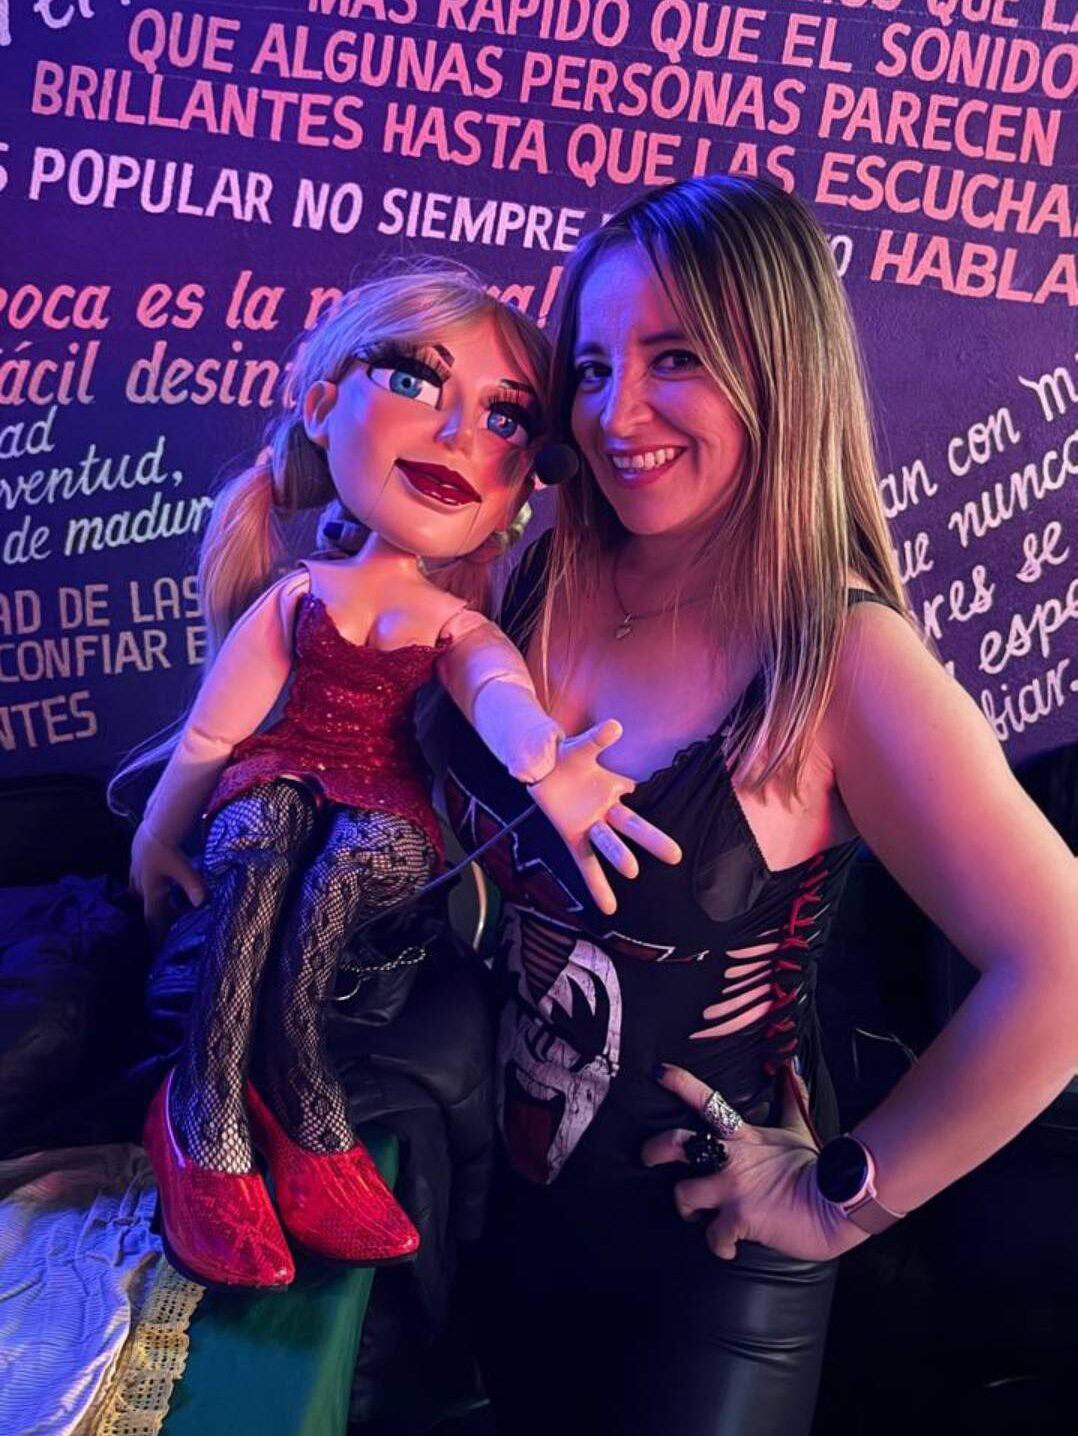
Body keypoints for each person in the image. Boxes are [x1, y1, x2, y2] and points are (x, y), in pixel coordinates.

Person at [435, 177, 1078, 1435]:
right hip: (502, 1217)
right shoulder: (540, 574)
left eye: (674, 357)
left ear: (777, 367)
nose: (616, 412)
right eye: (592, 366)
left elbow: (1060, 967)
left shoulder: (843, 656)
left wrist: (838, 1200)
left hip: (711, 1272)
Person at [111, 266, 677, 1292]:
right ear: (323, 406)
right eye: (417, 381)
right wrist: (156, 837)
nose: (460, 433)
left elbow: (497, 690)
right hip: (277, 778)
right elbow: (210, 738)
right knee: (262, 828)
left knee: (347, 860)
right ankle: (202, 1110)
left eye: (506, 418)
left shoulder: (455, 623)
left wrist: (542, 760)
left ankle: (300, 1090)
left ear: (524, 485)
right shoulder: (298, 599)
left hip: (390, 806)